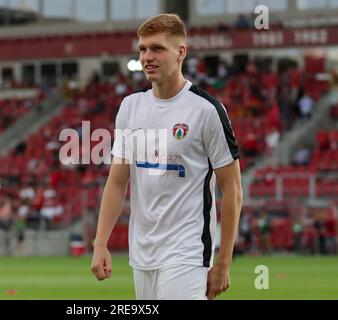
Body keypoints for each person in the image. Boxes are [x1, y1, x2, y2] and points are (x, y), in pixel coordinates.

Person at [91, 14, 243, 300]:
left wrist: (223, 262)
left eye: (158, 48)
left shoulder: (207, 110)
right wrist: (100, 243)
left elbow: (233, 189)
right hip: (143, 253)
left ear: (181, 52)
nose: (147, 57)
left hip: (187, 250)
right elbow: (116, 183)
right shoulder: (130, 107)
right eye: (143, 49)